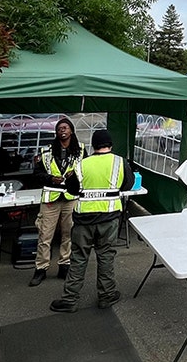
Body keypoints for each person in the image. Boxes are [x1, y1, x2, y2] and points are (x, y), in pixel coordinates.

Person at [50, 129, 134, 313]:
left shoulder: (81, 165)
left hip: (83, 221)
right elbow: (128, 184)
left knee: (78, 258)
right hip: (109, 219)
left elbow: (71, 190)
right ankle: (106, 296)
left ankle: (70, 300)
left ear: (93, 146)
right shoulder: (120, 162)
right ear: (110, 145)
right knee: (106, 257)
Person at [29, 117, 81, 287]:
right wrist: (50, 178)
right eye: (59, 129)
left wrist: (74, 178)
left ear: (71, 130)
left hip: (70, 198)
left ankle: (64, 266)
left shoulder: (81, 150)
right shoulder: (46, 151)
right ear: (56, 133)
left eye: (65, 128)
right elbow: (36, 175)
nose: (62, 131)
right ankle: (41, 268)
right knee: (45, 235)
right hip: (51, 196)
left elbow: (85, 172)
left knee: (68, 233)